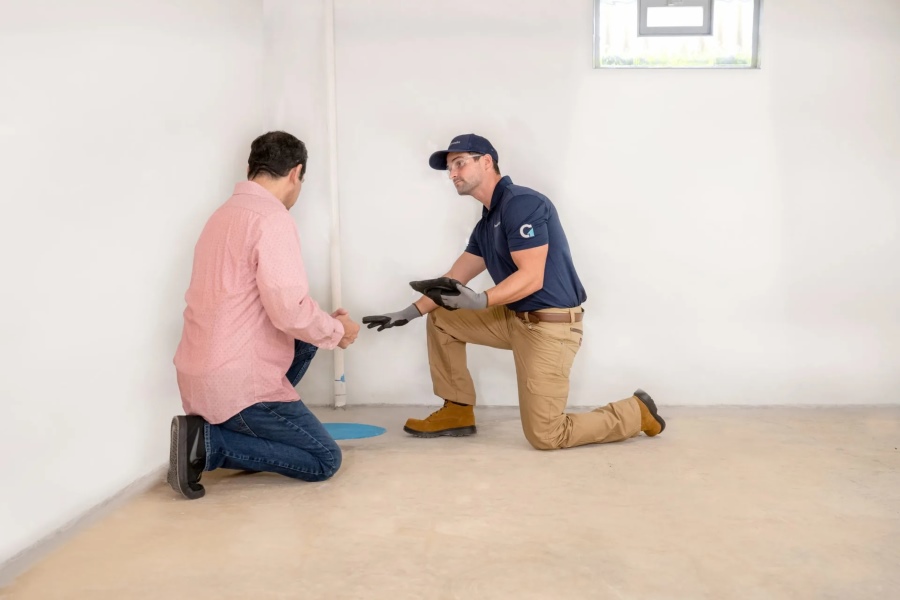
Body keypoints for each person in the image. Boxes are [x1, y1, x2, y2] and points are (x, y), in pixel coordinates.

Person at [363, 134, 665, 450]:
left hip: (550, 327)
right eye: (450, 168)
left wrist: (481, 300)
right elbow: (456, 276)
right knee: (441, 318)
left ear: (487, 161)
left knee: (547, 435)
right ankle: (457, 412)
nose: (453, 174)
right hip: (513, 319)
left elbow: (532, 277)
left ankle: (636, 411)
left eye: (460, 163)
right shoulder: (487, 222)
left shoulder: (522, 204)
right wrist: (409, 312)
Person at [169, 131, 360, 499]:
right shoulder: (272, 219)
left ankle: (233, 429)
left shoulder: (221, 215)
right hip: (235, 385)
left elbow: (274, 306)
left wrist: (323, 324)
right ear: (296, 173)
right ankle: (209, 444)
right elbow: (288, 310)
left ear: (250, 169)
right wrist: (338, 331)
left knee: (307, 341)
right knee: (323, 459)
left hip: (198, 378)